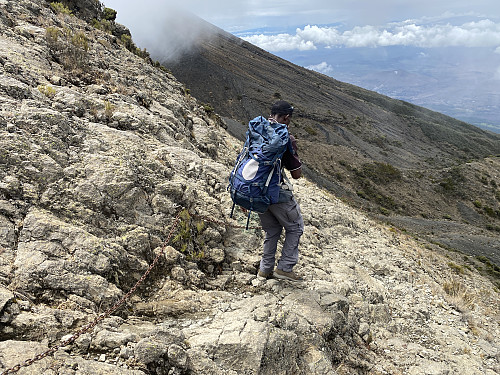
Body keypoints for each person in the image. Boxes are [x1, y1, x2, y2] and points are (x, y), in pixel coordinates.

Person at [257, 100, 304, 282]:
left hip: (256, 191)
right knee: (295, 227)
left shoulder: (259, 130)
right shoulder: (285, 136)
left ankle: (265, 269)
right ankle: (285, 268)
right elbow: (296, 174)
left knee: (272, 230)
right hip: (275, 192)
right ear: (286, 117)